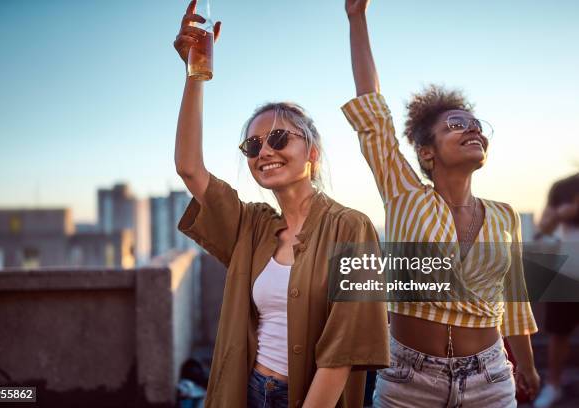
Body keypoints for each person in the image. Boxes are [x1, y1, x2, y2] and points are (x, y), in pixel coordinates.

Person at [173, 1, 389, 407]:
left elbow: (342, 351)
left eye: (278, 138)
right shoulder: (251, 226)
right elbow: (189, 168)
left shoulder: (353, 228)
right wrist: (194, 74)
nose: (263, 152)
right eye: (253, 145)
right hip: (248, 390)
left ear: (312, 153)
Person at [342, 0, 540, 406]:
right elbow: (373, 114)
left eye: (475, 124)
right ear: (427, 152)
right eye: (455, 124)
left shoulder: (504, 215)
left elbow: (514, 302)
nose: (472, 129)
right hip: (407, 380)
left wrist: (528, 367)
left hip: (491, 377)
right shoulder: (404, 195)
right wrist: (357, 18)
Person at [533, 173, 579, 408]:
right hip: (568, 272)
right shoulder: (563, 187)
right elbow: (543, 227)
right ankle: (553, 386)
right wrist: (563, 213)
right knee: (557, 333)